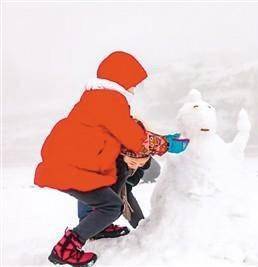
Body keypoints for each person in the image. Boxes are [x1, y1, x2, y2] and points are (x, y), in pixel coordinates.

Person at [34, 51, 189, 266]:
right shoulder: (110, 101)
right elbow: (136, 139)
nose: (134, 88)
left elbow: (127, 133)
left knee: (109, 186)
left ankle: (100, 228)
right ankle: (67, 247)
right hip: (71, 168)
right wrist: (167, 144)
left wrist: (160, 139)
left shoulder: (98, 99)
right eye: (133, 82)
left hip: (72, 164)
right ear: (122, 79)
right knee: (111, 206)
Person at [77, 155, 161, 240]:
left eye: (140, 164)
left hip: (121, 175)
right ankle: (92, 227)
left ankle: (144, 231)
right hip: (99, 172)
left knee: (120, 199)